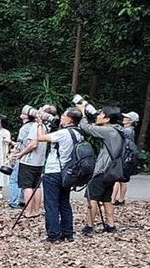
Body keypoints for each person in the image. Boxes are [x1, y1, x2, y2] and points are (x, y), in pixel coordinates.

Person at [78, 103, 126, 235]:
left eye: (100, 114)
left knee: (92, 197)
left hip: (103, 170)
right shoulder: (118, 130)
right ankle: (111, 225)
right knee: (106, 198)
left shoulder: (108, 131)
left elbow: (86, 128)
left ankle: (89, 226)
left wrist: (83, 113)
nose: (97, 116)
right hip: (112, 171)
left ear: (107, 119)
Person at [37, 108, 83, 243]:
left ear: (69, 120)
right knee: (64, 203)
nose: (61, 117)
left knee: (51, 204)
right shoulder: (79, 133)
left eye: (64, 116)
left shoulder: (63, 133)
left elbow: (40, 138)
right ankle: (68, 233)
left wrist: (39, 124)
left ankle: (54, 235)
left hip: (53, 171)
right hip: (67, 172)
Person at [11, 106, 51, 216]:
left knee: (27, 187)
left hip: (29, 161)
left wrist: (21, 154)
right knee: (36, 186)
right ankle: (36, 210)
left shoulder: (35, 126)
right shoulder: (45, 127)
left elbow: (33, 144)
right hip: (40, 161)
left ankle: (28, 211)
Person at [113, 111, 139, 206]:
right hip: (127, 157)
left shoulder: (127, 131)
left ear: (130, 121)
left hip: (123, 156)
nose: (124, 119)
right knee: (122, 180)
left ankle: (112, 200)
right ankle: (121, 199)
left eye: (126, 118)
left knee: (116, 178)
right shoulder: (130, 130)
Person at [8, 108, 31, 208]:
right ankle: (22, 200)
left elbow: (20, 143)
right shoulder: (35, 126)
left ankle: (13, 202)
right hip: (31, 158)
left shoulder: (24, 128)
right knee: (24, 180)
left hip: (22, 155)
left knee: (14, 179)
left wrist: (14, 153)